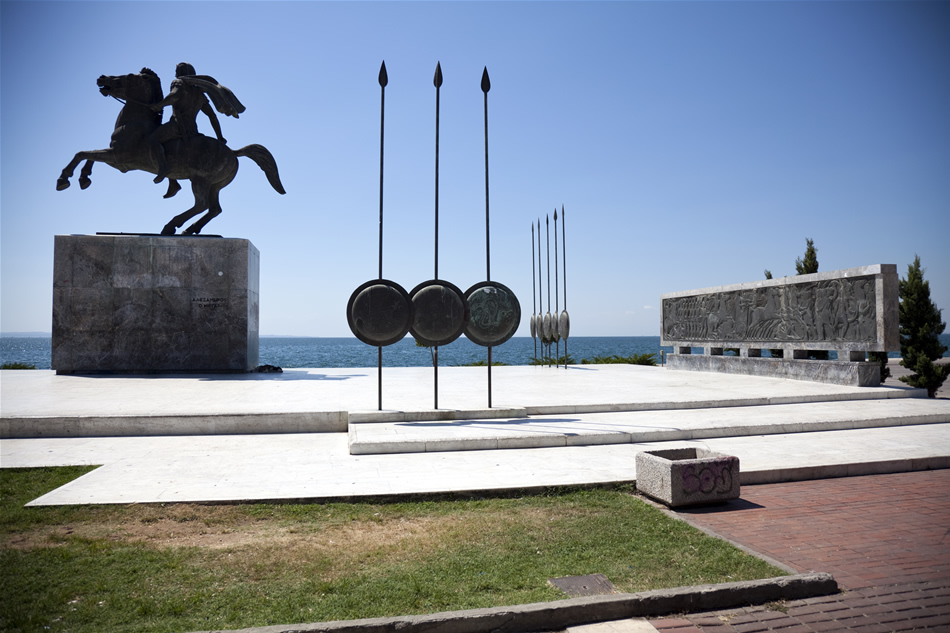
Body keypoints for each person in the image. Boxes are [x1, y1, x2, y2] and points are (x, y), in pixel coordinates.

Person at [148, 63, 245, 196]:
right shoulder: (199, 93)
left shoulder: (179, 83)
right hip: (192, 130)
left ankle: (164, 168)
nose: (175, 73)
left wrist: (159, 105)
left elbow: (174, 96)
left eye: (176, 70)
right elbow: (212, 116)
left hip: (177, 126)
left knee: (153, 140)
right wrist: (219, 136)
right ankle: (173, 183)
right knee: (170, 149)